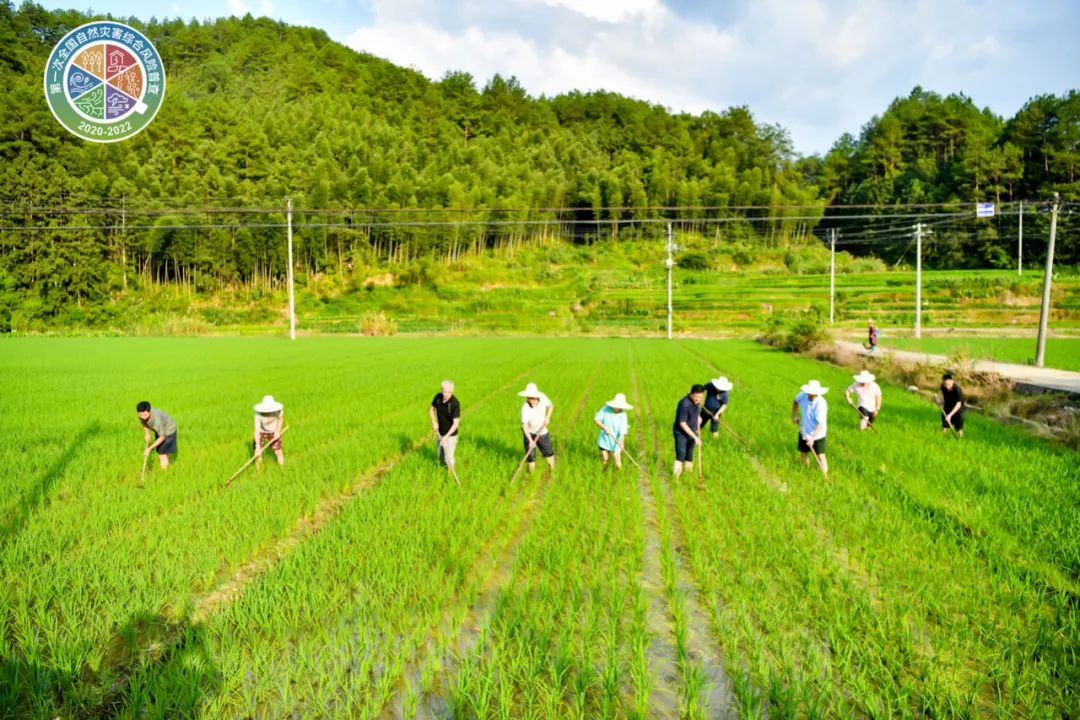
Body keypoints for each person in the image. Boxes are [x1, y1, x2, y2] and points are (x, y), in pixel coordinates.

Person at [792, 380, 828, 474]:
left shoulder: (821, 404)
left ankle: (824, 476)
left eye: (815, 393)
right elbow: (795, 402)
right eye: (811, 393)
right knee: (803, 453)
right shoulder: (803, 395)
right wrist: (795, 415)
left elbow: (820, 424)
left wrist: (813, 438)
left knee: (821, 456)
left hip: (818, 434)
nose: (813, 395)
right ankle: (805, 472)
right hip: (804, 430)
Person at [518, 382, 555, 473]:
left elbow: (550, 406)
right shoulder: (525, 408)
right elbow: (525, 426)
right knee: (530, 457)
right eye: (529, 398)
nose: (531, 400)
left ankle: (553, 470)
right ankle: (532, 476)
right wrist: (530, 441)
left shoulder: (543, 397)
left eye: (533, 398)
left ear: (537, 396)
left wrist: (548, 417)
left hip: (542, 431)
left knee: (549, 453)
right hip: (529, 432)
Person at [673, 384, 705, 478]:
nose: (698, 399)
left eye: (700, 396)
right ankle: (676, 479)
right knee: (681, 454)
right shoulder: (684, 404)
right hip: (681, 433)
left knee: (689, 455)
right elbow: (682, 423)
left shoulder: (698, 402)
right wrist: (695, 437)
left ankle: (688, 476)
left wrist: (699, 418)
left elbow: (696, 412)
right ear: (691, 394)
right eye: (696, 396)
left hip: (692, 431)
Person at [429, 380, 461, 474]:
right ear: (441, 390)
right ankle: (442, 471)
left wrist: (446, 437)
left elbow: (456, 424)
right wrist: (434, 421)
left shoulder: (454, 404)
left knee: (449, 458)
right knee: (439, 455)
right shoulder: (438, 398)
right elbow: (431, 409)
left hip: (450, 435)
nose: (446, 394)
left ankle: (450, 476)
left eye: (449, 392)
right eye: (444, 391)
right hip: (440, 432)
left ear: (452, 391)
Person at [594, 393, 632, 469]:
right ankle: (604, 474)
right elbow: (597, 420)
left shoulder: (623, 415)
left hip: (616, 441)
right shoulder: (605, 409)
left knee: (618, 460)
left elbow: (623, 430)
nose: (617, 408)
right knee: (605, 459)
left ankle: (620, 475)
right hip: (605, 439)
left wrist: (621, 443)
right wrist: (604, 427)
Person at [136, 400, 177, 469]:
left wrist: (150, 448)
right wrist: (147, 433)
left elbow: (162, 437)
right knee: (163, 452)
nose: (143, 417)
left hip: (169, 430)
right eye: (141, 415)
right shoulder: (142, 414)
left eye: (145, 415)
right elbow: (142, 421)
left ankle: (165, 474)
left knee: (162, 454)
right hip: (160, 430)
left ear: (149, 411)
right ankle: (168, 466)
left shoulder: (157, 421)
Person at [253, 395, 285, 467]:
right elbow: (257, 430)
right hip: (262, 432)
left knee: (278, 452)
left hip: (274, 431)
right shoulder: (258, 414)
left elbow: (281, 419)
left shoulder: (278, 410)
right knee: (258, 453)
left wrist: (278, 431)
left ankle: (283, 470)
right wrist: (258, 446)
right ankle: (259, 474)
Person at [940, 372, 965, 437]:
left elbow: (958, 404)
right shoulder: (943, 386)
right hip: (948, 405)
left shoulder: (957, 389)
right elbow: (941, 395)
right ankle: (942, 436)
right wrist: (939, 402)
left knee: (959, 421)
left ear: (952, 381)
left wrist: (950, 415)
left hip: (957, 407)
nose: (946, 386)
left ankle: (960, 437)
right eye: (945, 384)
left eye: (948, 384)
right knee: (945, 421)